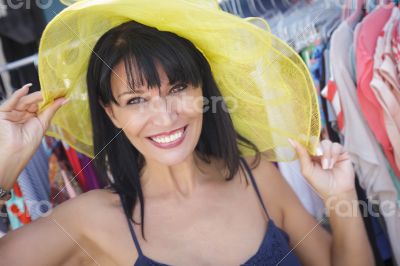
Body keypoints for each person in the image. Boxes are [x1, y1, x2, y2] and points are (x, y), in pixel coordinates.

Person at [0, 0, 373, 265]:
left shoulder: (255, 176)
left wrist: (341, 198)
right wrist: (5, 165)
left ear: (202, 91)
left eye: (177, 89)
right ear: (111, 113)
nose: (164, 116)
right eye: (135, 100)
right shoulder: (90, 221)